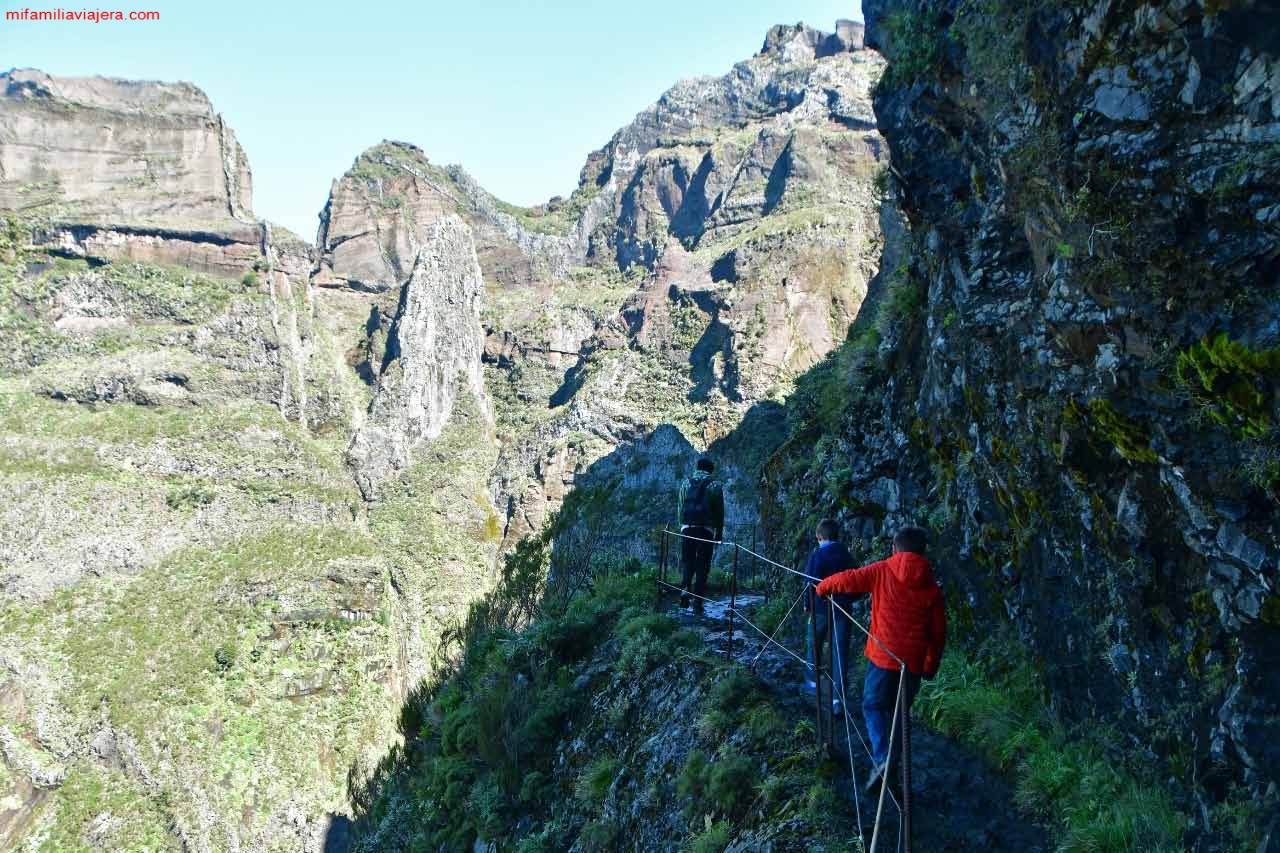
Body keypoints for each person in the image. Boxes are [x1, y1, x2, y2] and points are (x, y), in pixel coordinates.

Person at [815, 526, 946, 791]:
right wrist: (930, 665)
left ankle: (883, 759)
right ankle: (894, 773)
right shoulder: (931, 587)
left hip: (883, 657)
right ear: (923, 552)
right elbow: (938, 632)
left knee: (873, 706)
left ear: (895, 548)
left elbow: (850, 579)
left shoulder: (883, 570)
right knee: (899, 715)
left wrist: (823, 588)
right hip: (912, 663)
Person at [801, 519, 856, 715]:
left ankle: (811, 686)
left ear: (819, 537)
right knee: (839, 652)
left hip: (820, 609)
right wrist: (849, 600)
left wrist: (807, 604)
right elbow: (855, 578)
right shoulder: (846, 554)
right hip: (843, 609)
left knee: (814, 644)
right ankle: (837, 700)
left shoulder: (818, 555)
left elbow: (810, 582)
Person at [675, 457, 724, 615]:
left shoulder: (686, 483)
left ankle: (685, 588)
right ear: (711, 470)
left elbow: (680, 507)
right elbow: (719, 513)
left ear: (697, 468)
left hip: (688, 528)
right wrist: (719, 533)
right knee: (703, 565)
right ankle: (698, 603)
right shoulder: (715, 486)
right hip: (706, 530)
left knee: (688, 560)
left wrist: (681, 527)